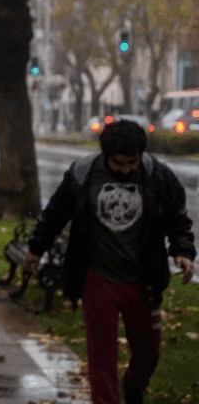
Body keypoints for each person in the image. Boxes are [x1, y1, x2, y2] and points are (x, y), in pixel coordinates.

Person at [24, 120, 196, 404]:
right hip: (98, 276)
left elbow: (178, 218)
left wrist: (183, 251)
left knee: (149, 351)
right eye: (118, 163)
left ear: (141, 155)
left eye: (132, 163)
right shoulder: (83, 174)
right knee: (101, 354)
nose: (126, 170)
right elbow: (55, 213)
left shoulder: (158, 176)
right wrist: (36, 247)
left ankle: (133, 385)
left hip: (144, 278)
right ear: (105, 155)